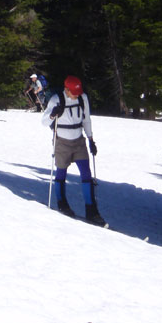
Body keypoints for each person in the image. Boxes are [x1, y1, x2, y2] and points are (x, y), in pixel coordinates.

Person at [41, 75, 105, 226]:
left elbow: (86, 119)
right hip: (62, 142)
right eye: (74, 93)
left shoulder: (83, 98)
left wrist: (90, 139)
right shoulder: (56, 100)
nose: (76, 95)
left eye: (78, 92)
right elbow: (44, 122)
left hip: (79, 141)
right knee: (61, 171)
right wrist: (52, 114)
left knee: (86, 174)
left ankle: (91, 210)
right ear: (66, 90)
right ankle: (62, 203)